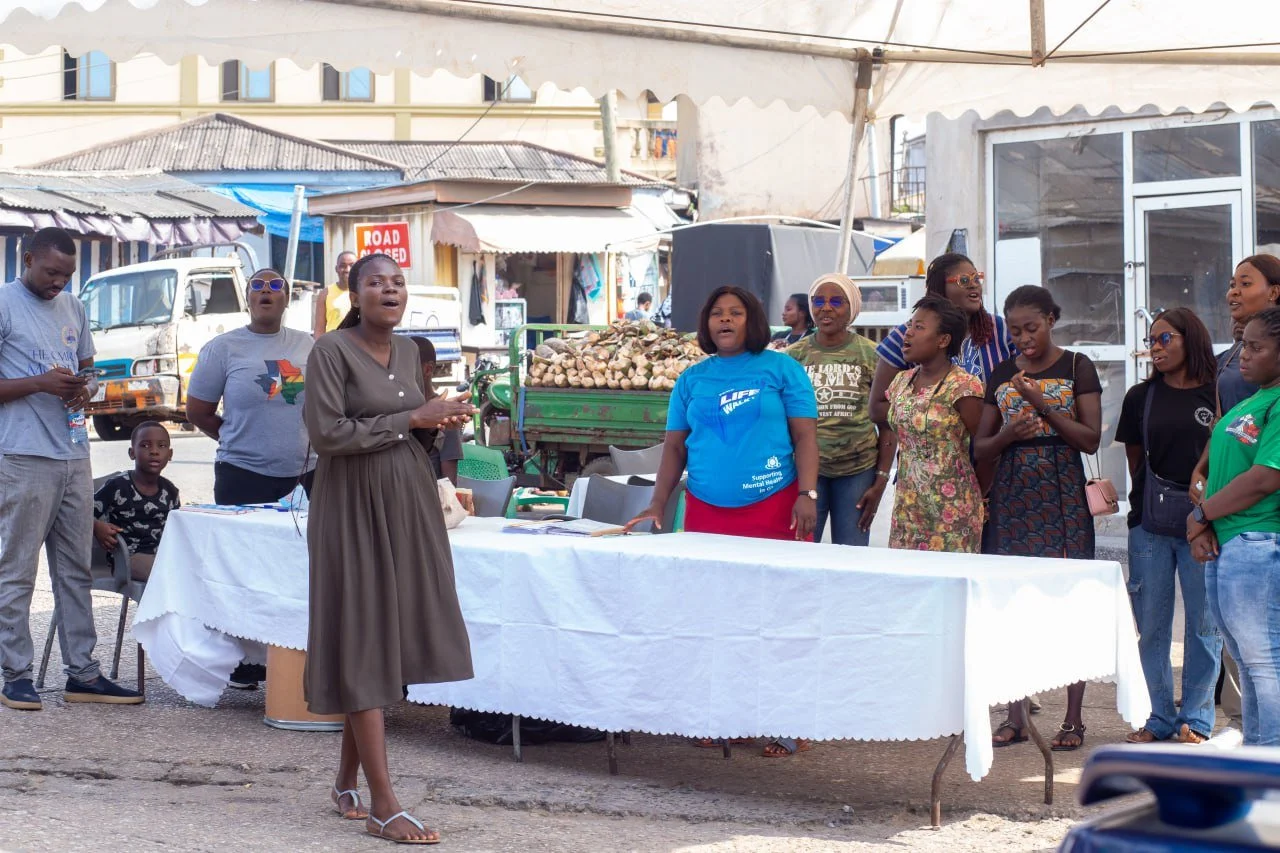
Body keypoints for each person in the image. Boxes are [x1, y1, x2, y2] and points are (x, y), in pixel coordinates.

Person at [304, 252, 476, 844]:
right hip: (352, 503)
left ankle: (346, 781)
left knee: (383, 637)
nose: (389, 290)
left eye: (398, 282)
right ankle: (384, 802)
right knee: (362, 633)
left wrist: (438, 419)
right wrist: (412, 418)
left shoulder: (409, 351)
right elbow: (327, 433)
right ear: (355, 293)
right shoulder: (330, 351)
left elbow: (411, 422)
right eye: (376, 282)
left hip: (404, 499)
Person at [626, 285, 818, 758]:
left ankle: (786, 720)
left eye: (735, 313)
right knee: (714, 616)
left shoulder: (783, 368)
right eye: (717, 314)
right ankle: (720, 716)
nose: (725, 321)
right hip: (707, 510)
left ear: (753, 320)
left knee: (777, 616)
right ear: (706, 323)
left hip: (775, 505)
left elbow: (806, 438)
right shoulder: (692, 378)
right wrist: (658, 504)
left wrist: (807, 493)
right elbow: (674, 448)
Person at [0, 227, 142, 710]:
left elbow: (87, 370)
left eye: (67, 274)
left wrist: (84, 389)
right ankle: (15, 675)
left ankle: (82, 673)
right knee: (17, 570)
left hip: (73, 452)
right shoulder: (5, 303)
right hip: (21, 455)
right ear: (28, 258)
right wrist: (39, 383)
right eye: (51, 272)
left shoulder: (74, 308)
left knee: (76, 569)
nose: (59, 282)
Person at [976, 285, 1102, 752]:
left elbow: (1089, 439)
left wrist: (1042, 404)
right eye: (1014, 330)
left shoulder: (1076, 367)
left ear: (1052, 319)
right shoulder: (1001, 372)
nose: (1023, 338)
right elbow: (980, 447)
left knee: (1069, 603)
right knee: (1011, 605)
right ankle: (1015, 715)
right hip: (1013, 496)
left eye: (1031, 327)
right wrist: (1009, 432)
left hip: (1063, 495)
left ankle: (1073, 719)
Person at [1115, 309, 1222, 745]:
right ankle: (1159, 717)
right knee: (1153, 626)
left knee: (1203, 625)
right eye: (1151, 340)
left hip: (1207, 522)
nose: (1155, 348)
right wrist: (1144, 507)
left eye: (1165, 339)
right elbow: (1135, 460)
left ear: (1190, 339)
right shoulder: (1141, 397)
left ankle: (1195, 720)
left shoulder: (1219, 393)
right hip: (1151, 524)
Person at [1190, 254, 1280, 732]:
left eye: (1255, 348)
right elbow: (1222, 445)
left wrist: (1202, 513)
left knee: (1264, 663)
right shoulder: (1254, 396)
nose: (1242, 355)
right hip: (1229, 536)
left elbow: (1266, 476)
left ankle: (1271, 766)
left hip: (1257, 538)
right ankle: (1257, 758)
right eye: (1243, 346)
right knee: (1246, 662)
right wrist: (1203, 486)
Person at [187, 268, 315, 506]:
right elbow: (197, 413)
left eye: (276, 285)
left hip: (306, 475)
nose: (266, 289)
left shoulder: (307, 344)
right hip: (241, 475)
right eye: (257, 285)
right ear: (247, 298)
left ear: (287, 300)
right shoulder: (221, 348)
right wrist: (238, 439)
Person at [787, 273, 893, 546]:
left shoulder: (873, 355)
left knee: (852, 556)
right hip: (807, 473)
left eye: (837, 301)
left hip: (858, 472)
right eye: (819, 300)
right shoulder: (793, 357)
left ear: (852, 309)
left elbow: (888, 424)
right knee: (801, 554)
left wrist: (880, 480)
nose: (826, 307)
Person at [884, 295, 985, 553]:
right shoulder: (899, 382)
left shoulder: (964, 386)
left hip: (953, 510)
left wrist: (981, 496)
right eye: (909, 325)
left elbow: (986, 448)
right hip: (908, 507)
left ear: (943, 340)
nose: (908, 333)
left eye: (919, 328)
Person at [870, 253, 1015, 424]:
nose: (974, 286)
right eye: (964, 280)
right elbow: (877, 408)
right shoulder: (906, 335)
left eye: (977, 278)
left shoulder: (1000, 329)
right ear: (940, 287)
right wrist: (935, 417)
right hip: (930, 446)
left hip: (993, 441)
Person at [92, 422, 181, 583]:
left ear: (170, 454)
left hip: (162, 556)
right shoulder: (117, 486)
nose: (154, 451)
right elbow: (82, 512)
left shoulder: (170, 491)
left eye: (161, 446)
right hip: (127, 558)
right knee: (169, 574)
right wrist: (97, 527)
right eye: (145, 445)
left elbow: (176, 530)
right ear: (132, 453)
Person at [412, 336, 464, 485]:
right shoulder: (400, 410)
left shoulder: (444, 413)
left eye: (406, 366)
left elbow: (449, 482)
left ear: (427, 369)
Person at [313, 251, 356, 338]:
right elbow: (319, 329)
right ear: (336, 269)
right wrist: (319, 350)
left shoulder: (363, 292)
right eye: (342, 266)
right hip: (333, 347)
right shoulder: (325, 293)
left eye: (352, 265)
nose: (347, 270)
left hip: (357, 345)